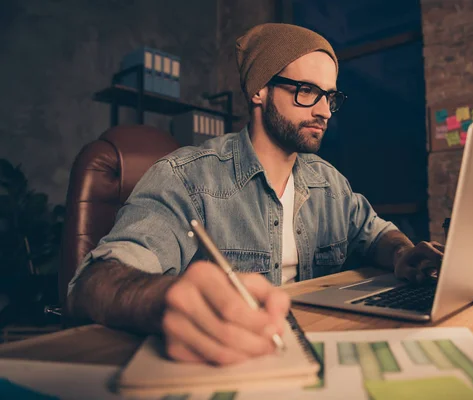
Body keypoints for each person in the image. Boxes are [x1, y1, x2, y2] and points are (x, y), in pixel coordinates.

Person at [67, 23, 443, 366]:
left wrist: (403, 253)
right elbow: (94, 282)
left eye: (330, 96)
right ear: (259, 90)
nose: (325, 111)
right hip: (227, 362)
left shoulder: (330, 183)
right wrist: (161, 299)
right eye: (307, 91)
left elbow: (375, 233)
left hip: (312, 352)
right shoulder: (186, 178)